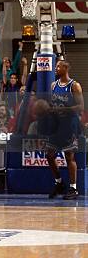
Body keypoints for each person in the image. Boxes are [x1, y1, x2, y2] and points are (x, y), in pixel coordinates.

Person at [46, 60, 84, 200]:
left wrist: (63, 109)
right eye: (55, 66)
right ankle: (59, 183)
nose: (55, 68)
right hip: (56, 124)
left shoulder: (74, 86)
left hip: (70, 124)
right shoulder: (53, 85)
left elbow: (81, 107)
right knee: (49, 155)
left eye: (58, 66)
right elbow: (52, 103)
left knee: (69, 156)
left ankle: (73, 188)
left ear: (66, 68)